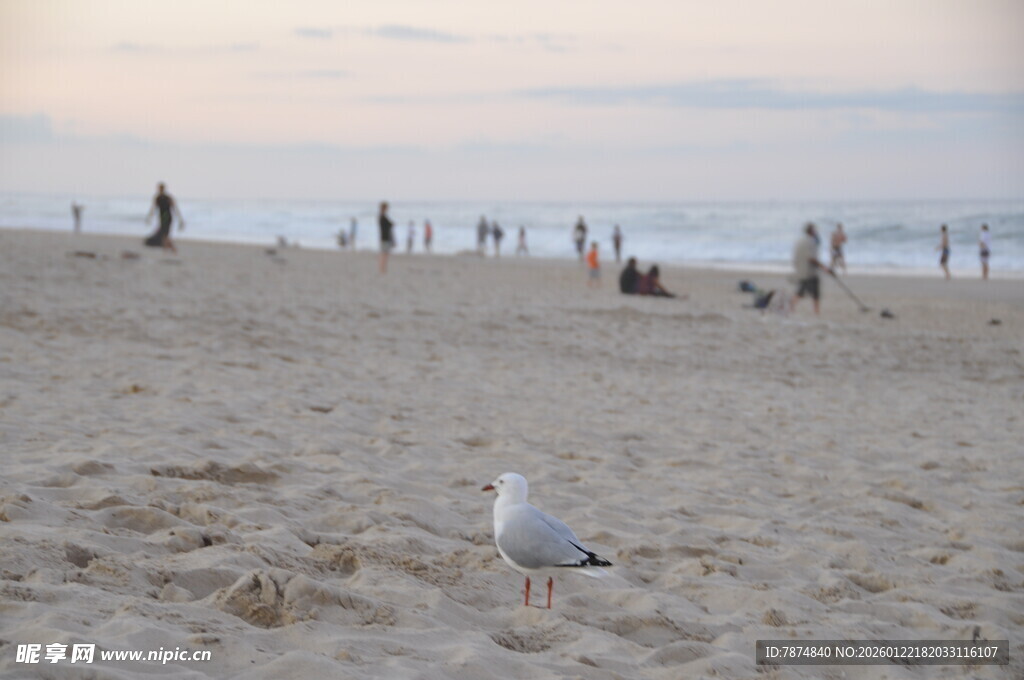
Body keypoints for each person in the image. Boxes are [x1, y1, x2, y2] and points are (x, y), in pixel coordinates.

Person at [790, 222, 831, 315]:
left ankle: (792, 306)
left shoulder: (801, 241)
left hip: (802, 270)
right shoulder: (810, 241)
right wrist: (824, 267)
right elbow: (811, 258)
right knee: (814, 292)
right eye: (814, 230)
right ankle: (816, 311)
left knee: (801, 291)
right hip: (809, 272)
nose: (816, 232)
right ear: (811, 231)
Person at [144, 182, 185, 253]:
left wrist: (180, 219)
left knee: (165, 234)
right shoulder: (158, 198)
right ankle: (168, 249)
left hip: (167, 217)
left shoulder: (166, 198)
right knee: (164, 234)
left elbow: (174, 208)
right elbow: (153, 208)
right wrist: (149, 217)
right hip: (164, 217)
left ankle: (171, 249)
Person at [378, 201, 394, 273]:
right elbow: (390, 224)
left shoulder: (382, 217)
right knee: (384, 254)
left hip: (384, 237)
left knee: (384, 253)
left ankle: (383, 268)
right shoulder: (383, 217)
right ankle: (383, 269)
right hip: (385, 237)